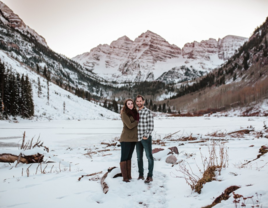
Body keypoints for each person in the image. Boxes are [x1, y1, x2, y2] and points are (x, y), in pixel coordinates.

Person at [119, 98, 139, 182]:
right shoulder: (124, 113)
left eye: (131, 103)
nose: (130, 105)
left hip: (133, 139)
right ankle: (125, 177)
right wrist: (137, 121)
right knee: (124, 157)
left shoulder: (135, 113)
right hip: (126, 139)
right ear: (126, 105)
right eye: (128, 104)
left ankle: (129, 175)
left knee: (129, 157)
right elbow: (130, 126)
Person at [135, 95, 154, 183]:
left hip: (146, 138)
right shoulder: (134, 112)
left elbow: (151, 126)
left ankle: (149, 176)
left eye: (140, 101)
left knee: (149, 157)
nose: (139, 103)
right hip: (137, 138)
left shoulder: (148, 112)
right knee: (139, 158)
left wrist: (145, 135)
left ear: (143, 101)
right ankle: (140, 175)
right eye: (137, 101)